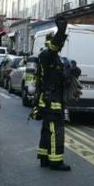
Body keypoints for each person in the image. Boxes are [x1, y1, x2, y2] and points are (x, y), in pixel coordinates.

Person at [32, 15, 71, 171]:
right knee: (56, 132)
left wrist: (70, 73)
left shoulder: (52, 58)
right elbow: (54, 47)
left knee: (47, 130)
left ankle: (44, 157)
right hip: (52, 101)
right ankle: (55, 161)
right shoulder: (47, 55)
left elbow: (58, 77)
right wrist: (61, 31)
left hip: (50, 100)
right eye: (59, 43)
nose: (61, 46)